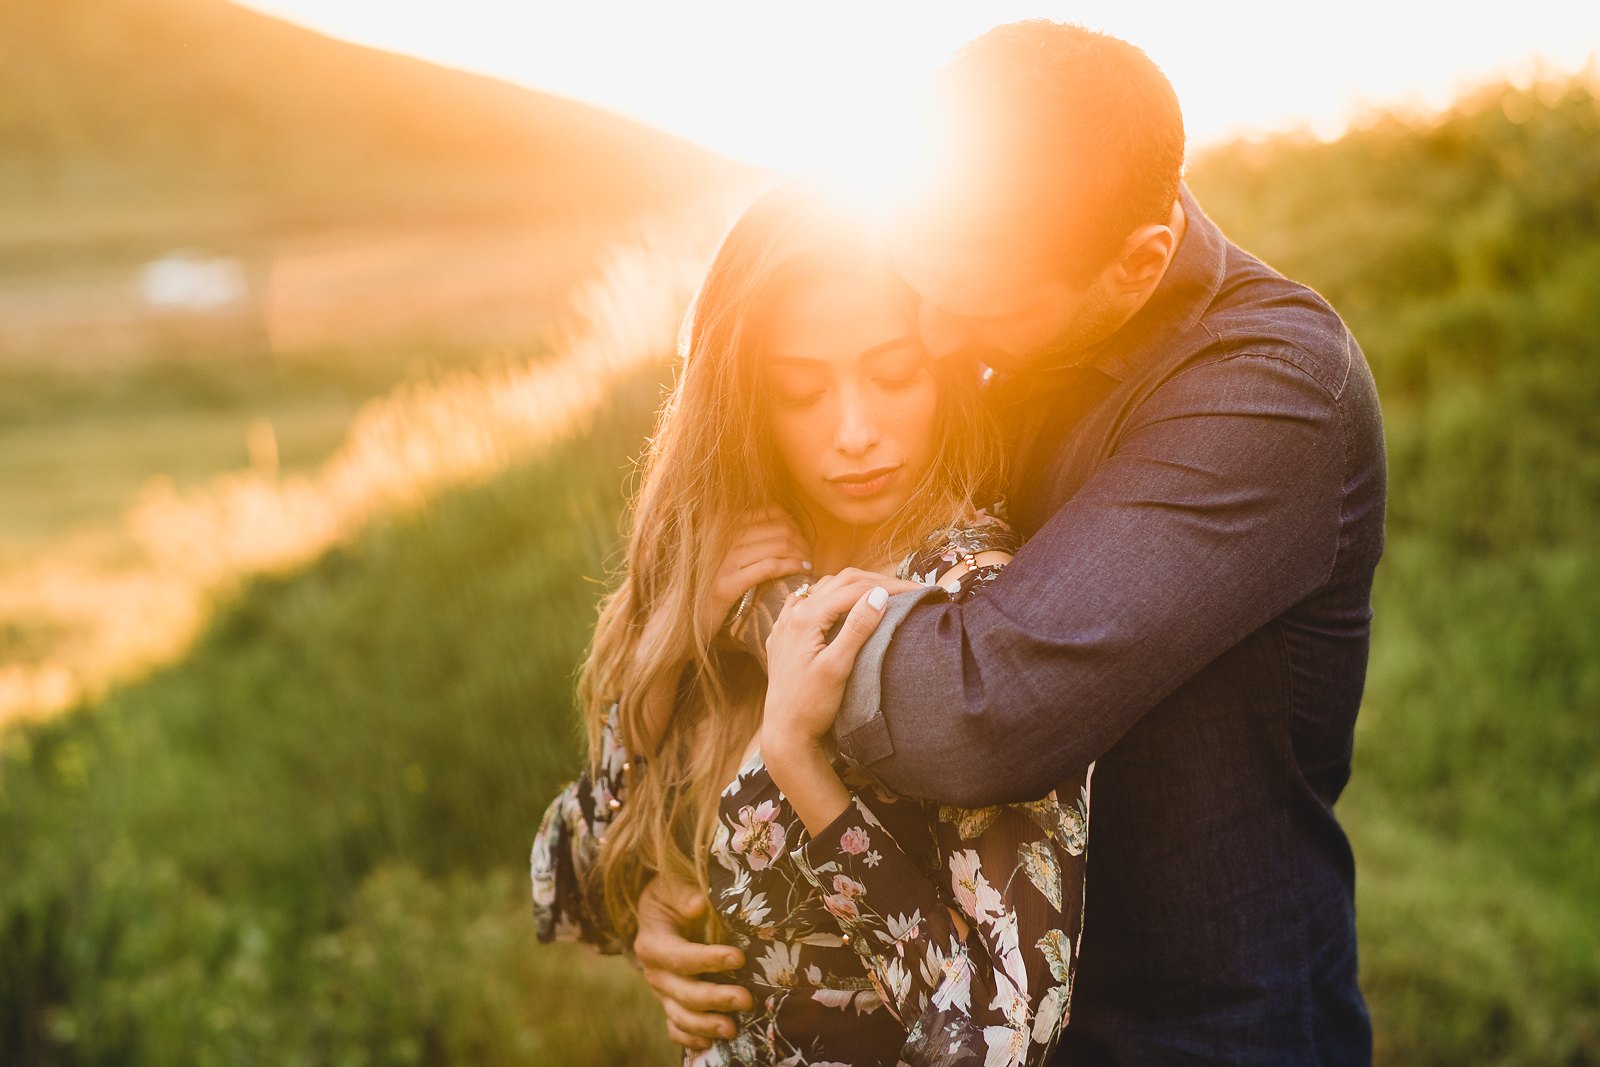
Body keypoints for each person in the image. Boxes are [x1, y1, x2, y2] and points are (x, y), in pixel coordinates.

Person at [633, 21, 1386, 1066]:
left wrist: (773, 607)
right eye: (924, 284)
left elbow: (976, 706)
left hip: (1200, 1031)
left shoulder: (1268, 391)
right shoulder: (1011, 336)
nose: (939, 339)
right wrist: (662, 879)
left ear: (1138, 264)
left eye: (971, 308)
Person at [530, 182, 1094, 1066]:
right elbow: (565, 889)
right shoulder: (727, 563)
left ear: (942, 362)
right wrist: (664, 661)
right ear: (747, 398)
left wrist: (802, 768)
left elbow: (998, 1033)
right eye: (800, 390)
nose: (856, 431)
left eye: (893, 374)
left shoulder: (973, 605)